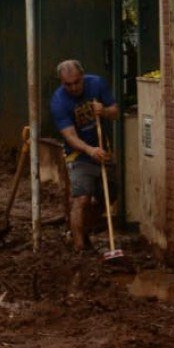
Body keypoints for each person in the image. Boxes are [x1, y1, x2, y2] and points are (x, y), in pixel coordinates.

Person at [49, 59, 120, 253]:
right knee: (82, 199)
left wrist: (104, 111)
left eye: (76, 82)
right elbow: (70, 136)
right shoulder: (58, 102)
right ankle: (79, 248)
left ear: (83, 77)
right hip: (78, 155)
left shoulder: (97, 84)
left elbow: (115, 112)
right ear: (61, 82)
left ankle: (82, 230)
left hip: (103, 149)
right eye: (67, 84)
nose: (73, 87)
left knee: (109, 195)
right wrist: (90, 151)